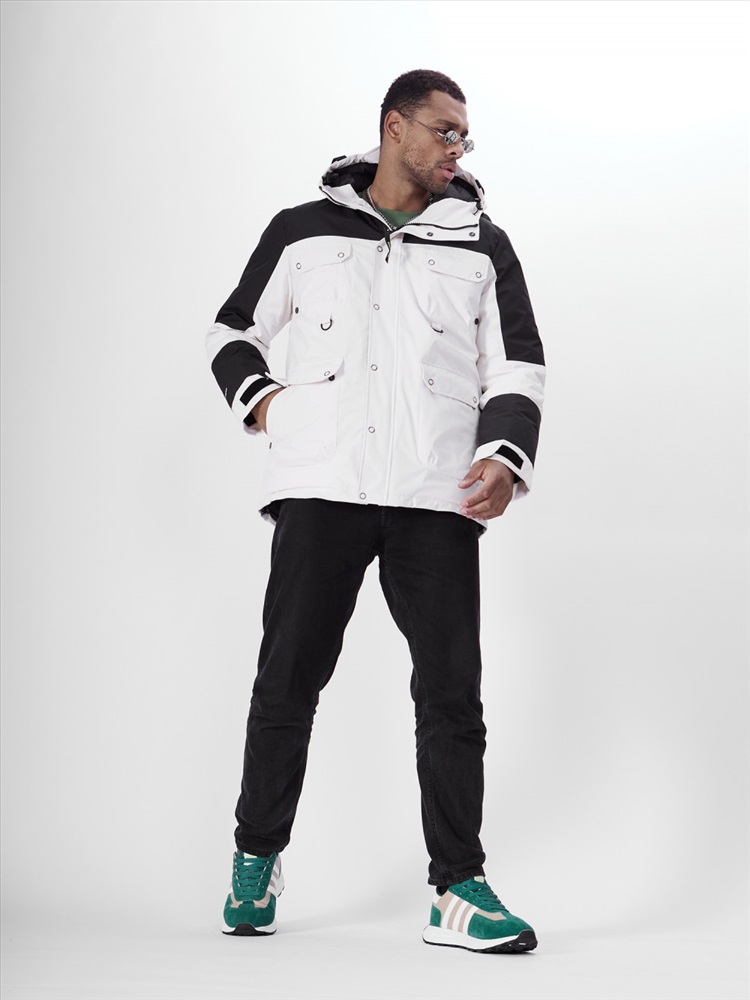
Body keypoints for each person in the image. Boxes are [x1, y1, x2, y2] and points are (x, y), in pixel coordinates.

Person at [206, 69, 545, 954]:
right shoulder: (303, 230)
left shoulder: (482, 243)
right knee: (287, 681)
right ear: (395, 127)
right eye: (444, 130)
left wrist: (503, 453)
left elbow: (517, 363)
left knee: (452, 694)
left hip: (436, 492)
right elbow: (232, 330)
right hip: (322, 485)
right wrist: (265, 404)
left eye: (464, 136)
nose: (457, 148)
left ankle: (457, 889)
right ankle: (255, 857)